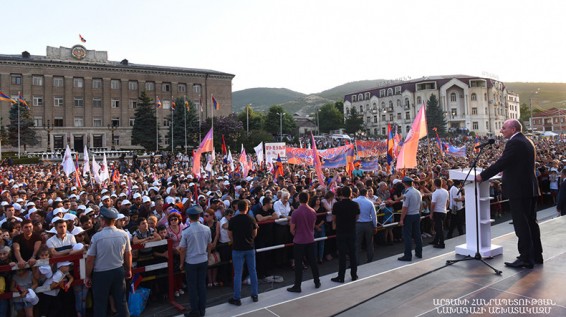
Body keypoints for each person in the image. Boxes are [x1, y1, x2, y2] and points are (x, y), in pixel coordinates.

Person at [476, 119, 542, 269]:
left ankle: (526, 258)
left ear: (513, 129)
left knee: (522, 225)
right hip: (529, 188)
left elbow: (502, 161)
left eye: (504, 128)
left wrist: (482, 176)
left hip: (519, 189)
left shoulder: (515, 142)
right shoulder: (526, 140)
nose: (501, 131)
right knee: (531, 223)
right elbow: (518, 163)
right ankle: (537, 255)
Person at [84, 206, 132, 317]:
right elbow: (128, 254)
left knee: (100, 304)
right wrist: (128, 269)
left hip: (101, 273)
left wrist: (87, 276)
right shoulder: (123, 234)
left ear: (102, 220)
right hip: (118, 270)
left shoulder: (96, 237)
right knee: (121, 301)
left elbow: (90, 259)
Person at [178, 206, 211, 317]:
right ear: (199, 216)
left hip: (191, 262)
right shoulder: (206, 229)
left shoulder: (186, 232)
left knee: (192, 288)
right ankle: (202, 310)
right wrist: (208, 256)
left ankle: (195, 311)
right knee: (201, 286)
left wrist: (181, 263)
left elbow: (182, 249)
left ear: (188, 217)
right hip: (203, 259)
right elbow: (209, 245)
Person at [287, 191, 320, 293]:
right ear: (308, 199)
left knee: (298, 264)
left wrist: (297, 234)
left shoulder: (295, 213)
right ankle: (317, 281)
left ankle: (297, 286)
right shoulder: (313, 211)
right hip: (310, 239)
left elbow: (292, 229)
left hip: (299, 241)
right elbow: (312, 226)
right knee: (313, 262)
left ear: (299, 199)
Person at [227, 200, 259, 306]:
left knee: (238, 273)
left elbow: (229, 234)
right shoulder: (251, 219)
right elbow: (255, 233)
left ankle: (237, 297)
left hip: (237, 248)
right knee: (252, 271)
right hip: (249, 247)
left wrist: (235, 241)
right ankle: (255, 294)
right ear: (247, 208)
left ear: (237, 208)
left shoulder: (233, 220)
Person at [331, 186, 359, 283]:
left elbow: (333, 218)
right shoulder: (355, 205)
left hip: (341, 231)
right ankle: (354, 275)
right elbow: (357, 217)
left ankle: (341, 276)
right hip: (351, 231)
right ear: (350, 194)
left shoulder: (337, 205)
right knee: (352, 254)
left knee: (342, 255)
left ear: (341, 194)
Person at [398, 176, 423, 261]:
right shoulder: (418, 192)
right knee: (417, 235)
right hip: (416, 215)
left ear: (404, 183)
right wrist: (419, 214)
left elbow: (405, 208)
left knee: (407, 236)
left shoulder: (407, 193)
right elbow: (420, 205)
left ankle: (408, 255)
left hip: (409, 216)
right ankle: (419, 253)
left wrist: (401, 219)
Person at [353, 188, 378, 263]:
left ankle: (356, 260)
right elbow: (374, 215)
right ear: (366, 194)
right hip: (368, 224)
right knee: (369, 243)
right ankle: (369, 259)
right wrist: (375, 226)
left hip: (358, 224)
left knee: (357, 243)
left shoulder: (354, 201)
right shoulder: (369, 202)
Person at [429, 178, 449, 248]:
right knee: (439, 227)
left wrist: (431, 213)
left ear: (434, 184)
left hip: (437, 212)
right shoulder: (446, 191)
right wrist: (445, 208)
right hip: (443, 211)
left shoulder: (435, 193)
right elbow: (447, 201)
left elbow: (433, 204)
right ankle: (436, 240)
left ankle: (442, 243)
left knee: (439, 228)